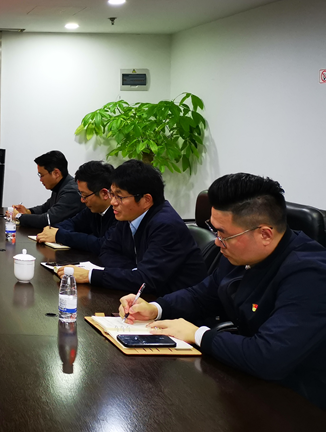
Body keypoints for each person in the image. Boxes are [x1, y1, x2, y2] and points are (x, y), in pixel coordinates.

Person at [120, 173, 326, 410]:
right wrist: (155, 308)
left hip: (302, 400)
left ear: (265, 234)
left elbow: (268, 356)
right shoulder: (241, 252)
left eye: (224, 234)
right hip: (251, 382)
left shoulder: (311, 274)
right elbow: (203, 294)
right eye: (214, 230)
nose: (217, 242)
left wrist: (198, 335)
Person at [56, 159, 206, 296]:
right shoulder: (128, 215)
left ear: (146, 200)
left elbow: (146, 281)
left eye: (119, 197)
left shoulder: (166, 226)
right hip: (144, 297)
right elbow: (107, 250)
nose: (113, 202)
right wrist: (133, 272)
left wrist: (90, 275)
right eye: (112, 194)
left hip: (176, 306)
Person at [37, 160, 116, 254]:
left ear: (104, 194)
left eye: (85, 195)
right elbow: (72, 223)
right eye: (81, 194)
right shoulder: (92, 210)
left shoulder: (119, 214)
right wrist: (53, 231)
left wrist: (59, 235)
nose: (82, 200)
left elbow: (102, 244)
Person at [13, 150, 81, 229]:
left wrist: (18, 216)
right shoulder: (60, 186)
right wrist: (28, 211)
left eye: (41, 175)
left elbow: (47, 220)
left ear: (56, 173)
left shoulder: (71, 191)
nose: (40, 180)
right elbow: (45, 208)